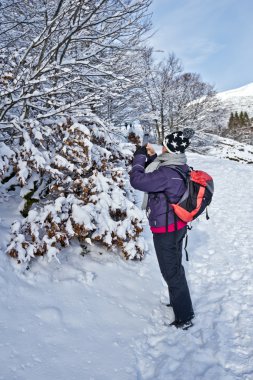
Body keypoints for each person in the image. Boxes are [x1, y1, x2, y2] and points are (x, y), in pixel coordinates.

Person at [130, 128, 195, 330]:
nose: (162, 146)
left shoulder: (167, 172)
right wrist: (153, 157)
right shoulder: (180, 165)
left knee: (171, 273)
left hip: (166, 230)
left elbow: (137, 180)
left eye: (165, 143)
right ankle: (179, 302)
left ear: (170, 148)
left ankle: (185, 317)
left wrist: (139, 157)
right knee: (175, 268)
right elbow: (159, 176)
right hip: (178, 226)